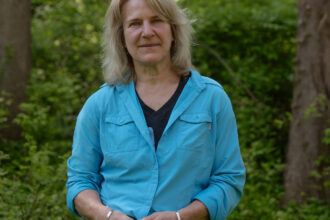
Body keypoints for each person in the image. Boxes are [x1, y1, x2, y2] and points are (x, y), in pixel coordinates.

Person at [66, 0, 246, 219]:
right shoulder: (99, 105)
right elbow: (80, 181)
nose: (147, 32)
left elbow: (228, 179)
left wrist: (182, 217)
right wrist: (108, 216)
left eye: (157, 21)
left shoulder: (212, 99)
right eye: (134, 24)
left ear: (174, 31)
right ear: (122, 37)